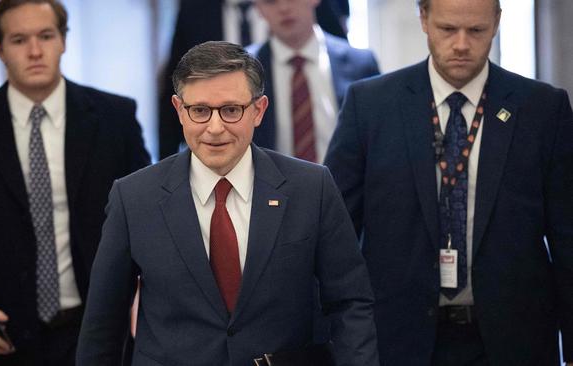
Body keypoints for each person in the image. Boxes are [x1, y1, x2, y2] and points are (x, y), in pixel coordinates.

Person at [76, 41, 378, 366]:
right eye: (200, 110)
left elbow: (350, 303)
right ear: (179, 110)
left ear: (258, 110)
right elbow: (103, 327)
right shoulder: (134, 198)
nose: (215, 128)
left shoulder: (311, 188)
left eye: (231, 110)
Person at [324, 0, 573, 364]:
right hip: (398, 338)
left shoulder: (541, 109)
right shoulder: (372, 106)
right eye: (447, 29)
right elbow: (335, 232)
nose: (460, 44)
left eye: (476, 31)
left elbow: (568, 238)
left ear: (497, 22)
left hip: (514, 340)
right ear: (424, 19)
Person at [0, 0, 150, 364]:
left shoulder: (115, 118)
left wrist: (143, 298)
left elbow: (146, 219)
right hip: (2, 334)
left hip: (100, 330)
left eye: (46, 36)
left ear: (63, 40)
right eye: (18, 40)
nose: (34, 51)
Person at [157, 0, 350, 159]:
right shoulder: (196, 10)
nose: (283, 8)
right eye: (271, 2)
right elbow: (175, 83)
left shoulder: (351, 59)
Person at [249, 0, 379, 163]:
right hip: (271, 185)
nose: (284, 8)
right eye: (270, 1)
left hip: (345, 183)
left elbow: (377, 137)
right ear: (257, 8)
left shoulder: (361, 63)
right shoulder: (243, 71)